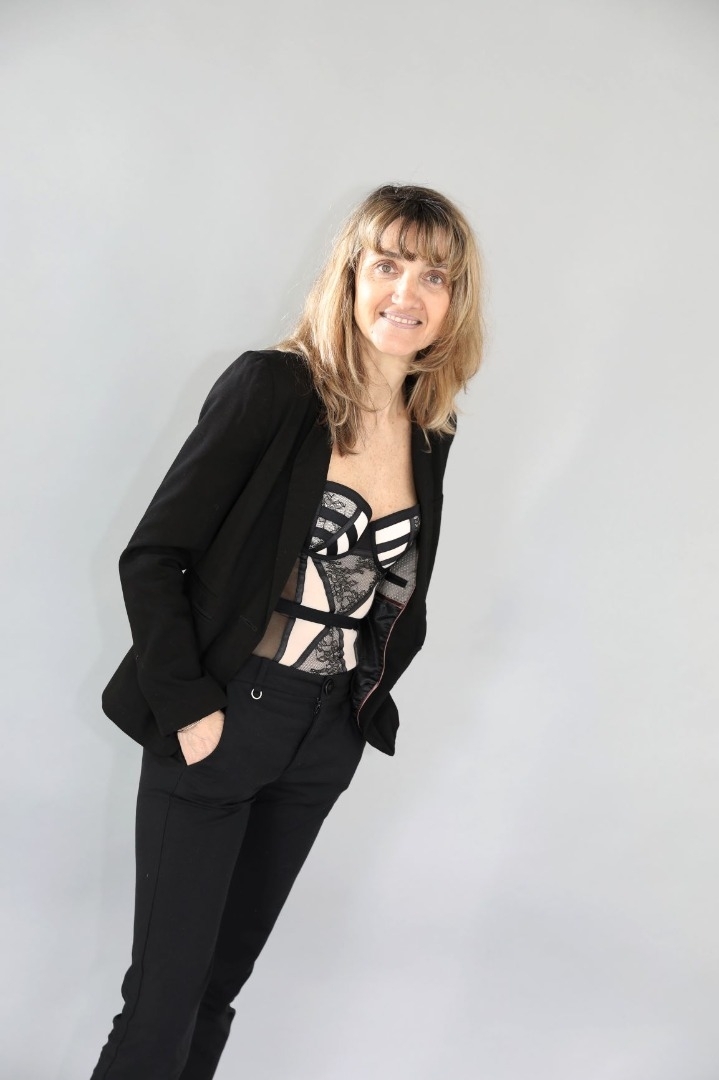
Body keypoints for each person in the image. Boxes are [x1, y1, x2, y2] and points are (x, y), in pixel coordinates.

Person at [90, 182, 484, 1079]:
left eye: (434, 276)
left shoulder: (431, 428)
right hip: (225, 716)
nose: (408, 293)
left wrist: (356, 711)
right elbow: (153, 557)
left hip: (323, 735)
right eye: (388, 265)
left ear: (454, 301)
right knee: (160, 1009)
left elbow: (398, 594)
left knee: (215, 995)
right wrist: (192, 710)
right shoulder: (274, 387)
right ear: (349, 274)